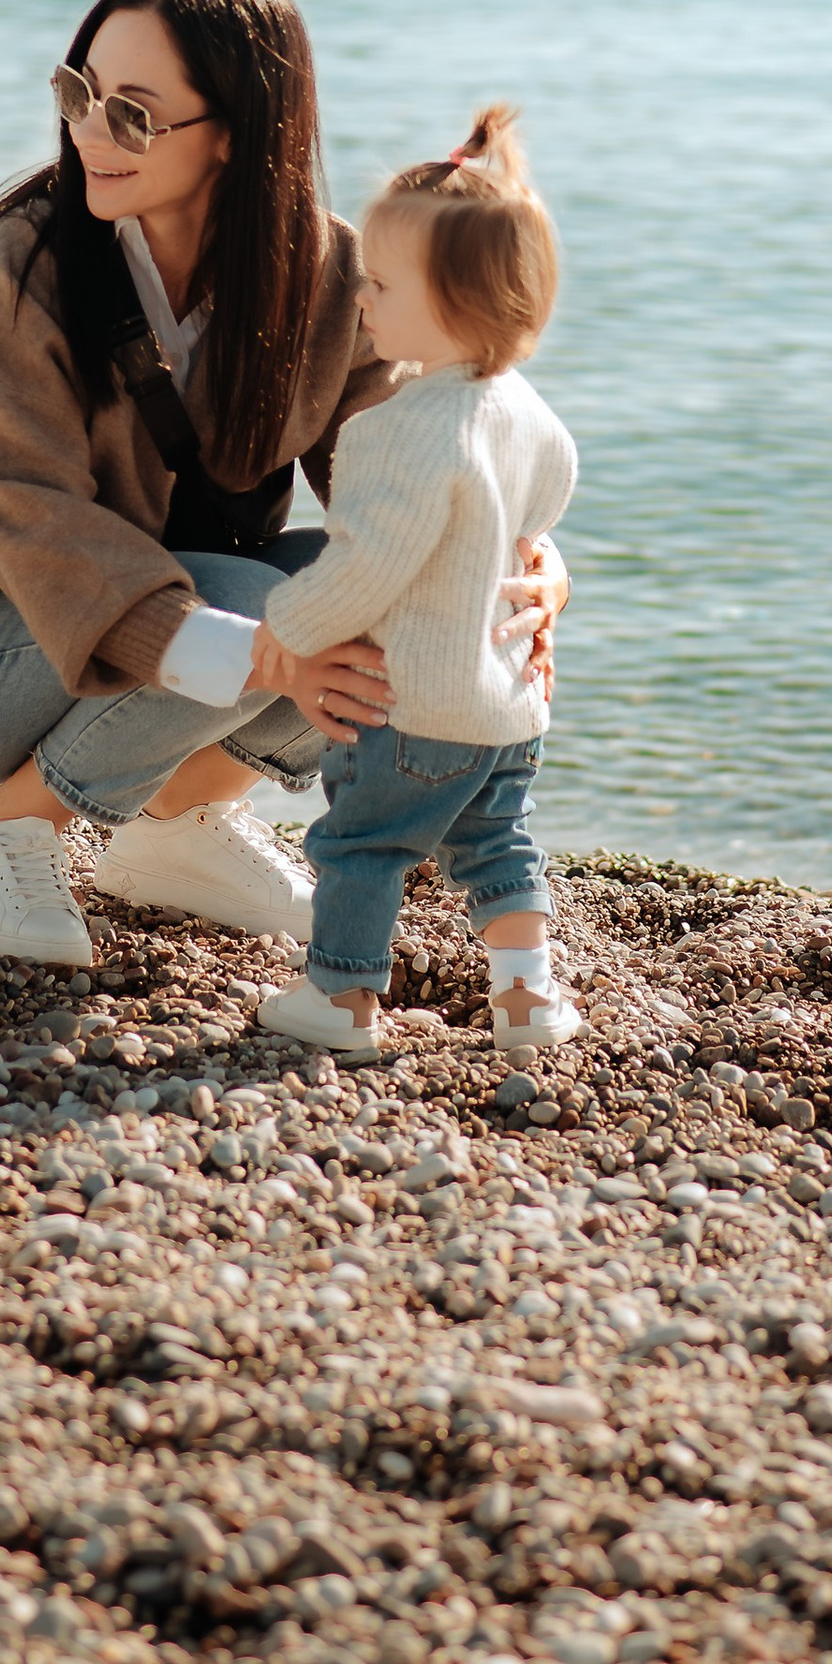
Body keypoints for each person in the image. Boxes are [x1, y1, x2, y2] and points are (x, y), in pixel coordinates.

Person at [0, 0, 564, 971]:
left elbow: (415, 467)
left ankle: (177, 823)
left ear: (238, 133)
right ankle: (4, 836)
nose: (89, 131)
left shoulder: (329, 271)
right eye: (79, 94)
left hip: (167, 628)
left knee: (394, 590)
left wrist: (522, 569)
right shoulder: (23, 268)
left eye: (132, 113)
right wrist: (268, 651)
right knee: (270, 608)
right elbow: (32, 520)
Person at [253, 106, 584, 1066]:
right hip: (509, 704)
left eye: (382, 284)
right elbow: (539, 520)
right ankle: (527, 1000)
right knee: (499, 847)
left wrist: (289, 625)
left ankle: (341, 996)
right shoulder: (529, 415)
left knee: (362, 844)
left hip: (414, 702)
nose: (360, 293)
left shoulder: (400, 429)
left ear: (455, 310)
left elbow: (369, 562)